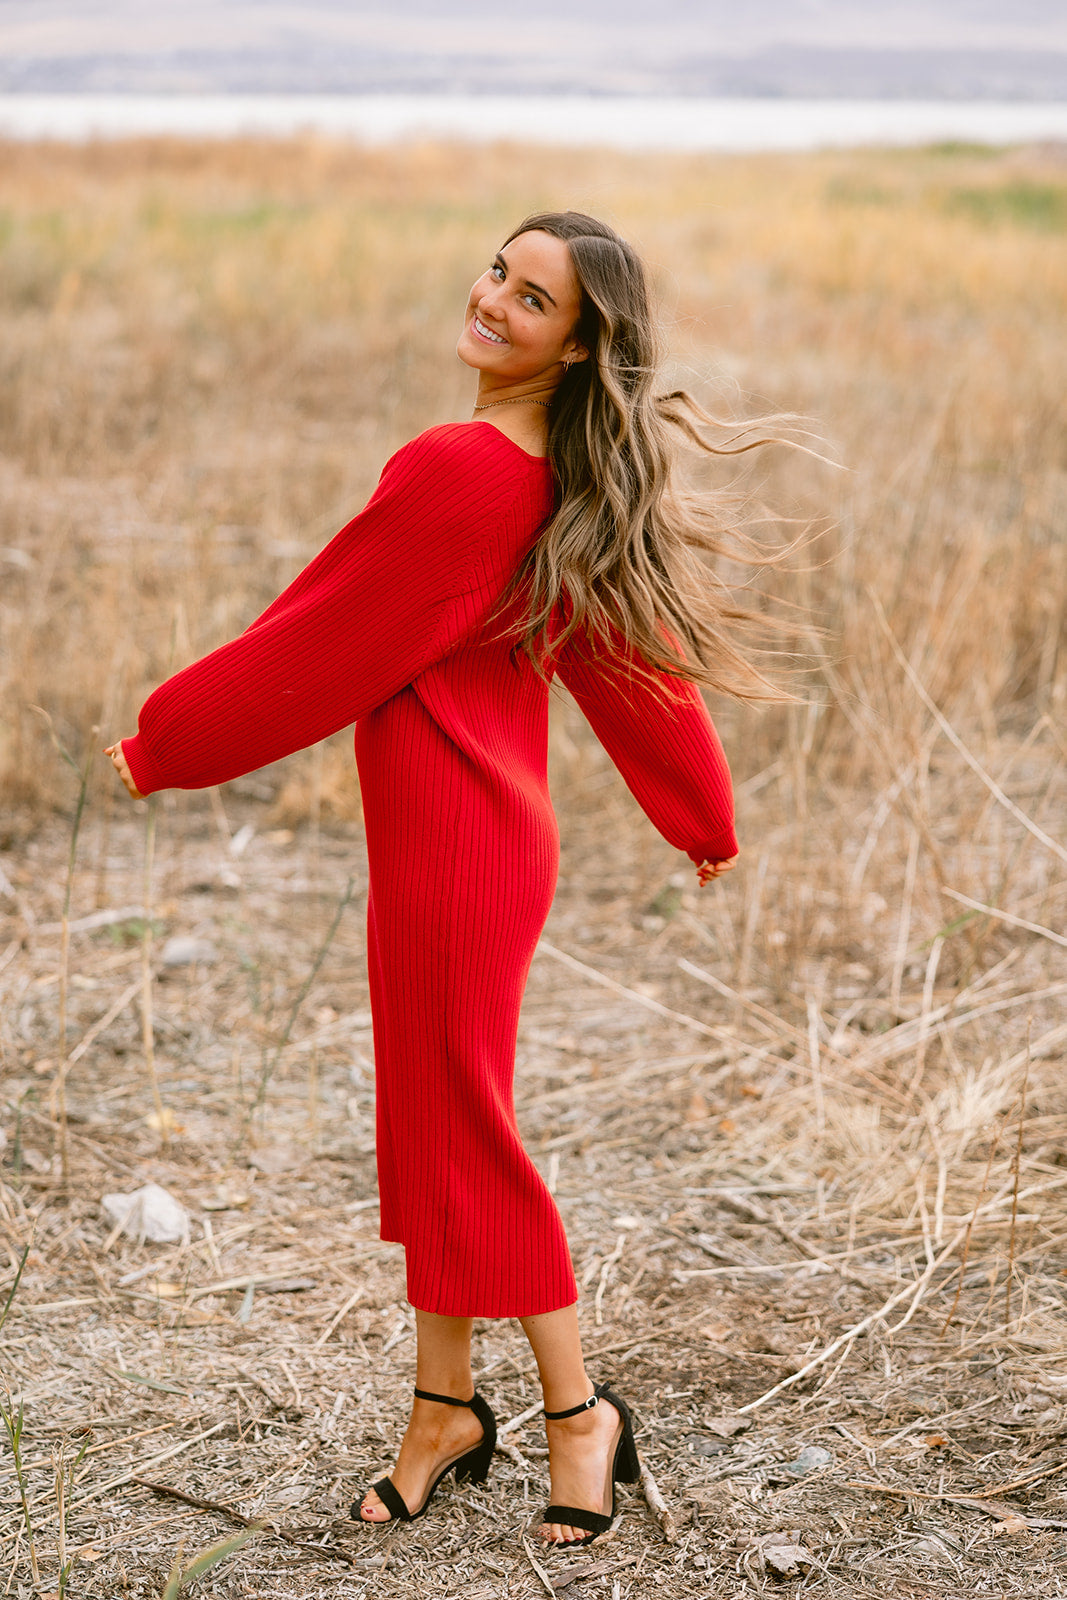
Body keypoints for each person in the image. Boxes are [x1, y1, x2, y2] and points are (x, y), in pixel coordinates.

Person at [106, 210, 780, 1550]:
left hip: (464, 856)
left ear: (577, 346)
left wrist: (163, 743)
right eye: (497, 271)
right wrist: (698, 816)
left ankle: (580, 1414)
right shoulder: (544, 485)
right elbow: (627, 666)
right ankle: (443, 1409)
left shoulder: (464, 474)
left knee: (465, 1129)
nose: (492, 302)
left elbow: (314, 642)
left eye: (532, 300)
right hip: (461, 845)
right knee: (429, 1121)